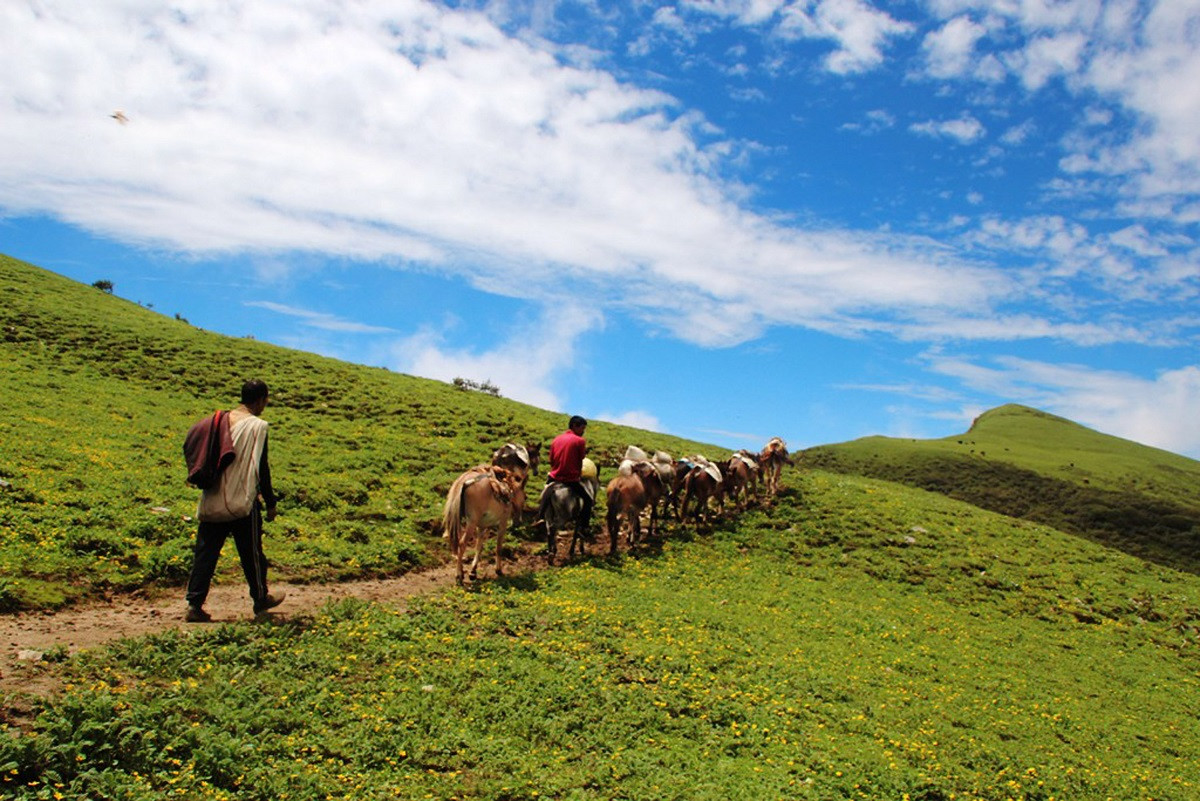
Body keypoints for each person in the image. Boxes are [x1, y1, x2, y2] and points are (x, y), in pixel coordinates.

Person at [185, 379, 285, 622]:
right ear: (261, 399)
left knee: (206, 553)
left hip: (213, 496)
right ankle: (260, 600)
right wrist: (270, 502)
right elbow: (262, 468)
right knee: (251, 554)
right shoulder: (256, 426)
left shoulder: (219, 421)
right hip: (242, 499)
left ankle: (194, 605)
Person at [544, 415, 593, 538]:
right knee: (588, 500)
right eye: (582, 428)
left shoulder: (556, 440)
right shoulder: (580, 441)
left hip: (554, 477)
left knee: (545, 496)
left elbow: (551, 459)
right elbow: (581, 458)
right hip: (569, 479)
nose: (583, 432)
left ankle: (539, 517)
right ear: (575, 426)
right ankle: (584, 527)